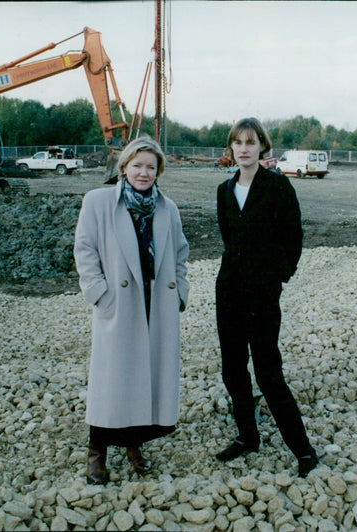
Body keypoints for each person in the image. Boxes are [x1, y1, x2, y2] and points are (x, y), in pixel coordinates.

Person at [73, 137, 189, 483]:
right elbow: (85, 250)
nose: (144, 172)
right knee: (111, 380)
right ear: (124, 167)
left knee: (144, 378)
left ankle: (134, 443)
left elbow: (181, 254)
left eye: (151, 167)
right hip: (120, 305)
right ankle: (97, 452)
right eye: (137, 165)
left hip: (157, 304)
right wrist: (100, 294)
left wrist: (180, 292)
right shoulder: (98, 202)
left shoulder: (168, 209)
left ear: (158, 172)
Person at [214, 117, 318, 478]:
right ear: (231, 148)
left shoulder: (277, 187)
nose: (244, 148)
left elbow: (294, 238)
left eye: (250, 142)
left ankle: (303, 451)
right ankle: (248, 436)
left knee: (268, 372)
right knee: (233, 370)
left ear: (262, 147)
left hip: (262, 295)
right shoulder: (224, 191)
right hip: (228, 292)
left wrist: (278, 277)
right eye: (237, 142)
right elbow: (229, 238)